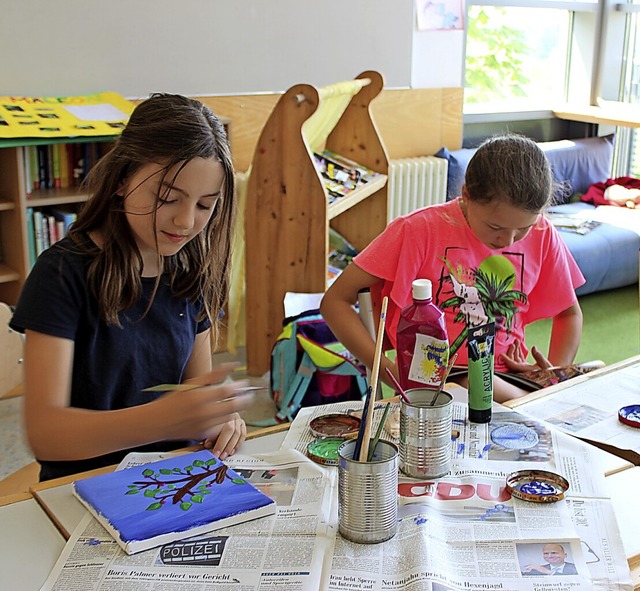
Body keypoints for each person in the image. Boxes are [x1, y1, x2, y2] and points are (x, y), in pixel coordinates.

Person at [10, 93, 251, 481]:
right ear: (122, 179)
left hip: (169, 479)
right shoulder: (62, 273)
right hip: (82, 487)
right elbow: (46, 435)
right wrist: (159, 421)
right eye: (167, 198)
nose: (187, 222)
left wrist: (217, 418)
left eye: (206, 205)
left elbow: (192, 390)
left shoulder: (190, 269)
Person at [320, 134, 584, 402]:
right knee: (477, 383)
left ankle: (533, 402)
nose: (507, 241)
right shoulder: (416, 230)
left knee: (591, 377)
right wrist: (389, 372)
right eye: (495, 227)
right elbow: (335, 301)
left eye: (523, 229)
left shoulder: (543, 233)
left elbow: (569, 315)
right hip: (442, 380)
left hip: (511, 379)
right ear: (467, 195)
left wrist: (552, 376)